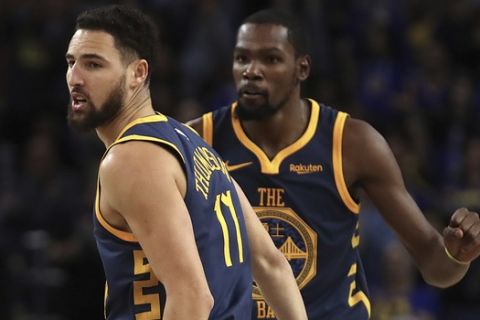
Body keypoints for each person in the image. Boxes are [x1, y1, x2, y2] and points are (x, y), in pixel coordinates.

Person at [186, 8, 480, 320]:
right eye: (242, 58)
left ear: (302, 68)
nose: (252, 71)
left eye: (270, 59)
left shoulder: (353, 143)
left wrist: (457, 256)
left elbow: (435, 265)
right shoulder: (195, 141)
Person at [65, 5, 307, 320]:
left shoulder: (131, 158)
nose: (75, 77)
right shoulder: (193, 144)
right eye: (72, 62)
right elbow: (271, 264)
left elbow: (192, 297)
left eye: (94, 65)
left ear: (138, 73)